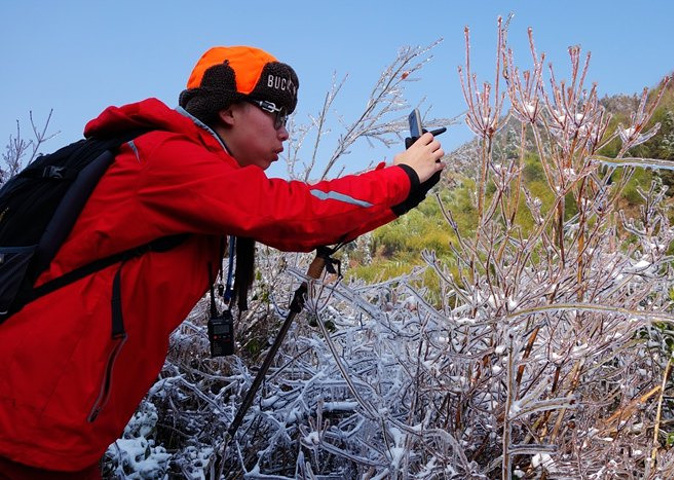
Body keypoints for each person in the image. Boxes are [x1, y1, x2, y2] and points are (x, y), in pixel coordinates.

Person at [0, 46, 444, 479]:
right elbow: (292, 214)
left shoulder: (183, 167)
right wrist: (402, 177)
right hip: (30, 421)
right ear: (228, 110)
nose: (285, 131)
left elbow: (304, 220)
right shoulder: (166, 159)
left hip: (56, 420)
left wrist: (401, 196)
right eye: (276, 113)